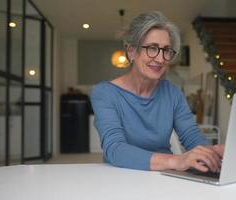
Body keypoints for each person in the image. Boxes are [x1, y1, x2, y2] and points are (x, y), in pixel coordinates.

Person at [91, 11, 224, 172]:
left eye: (166, 50)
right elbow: (115, 149)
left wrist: (211, 153)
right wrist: (176, 161)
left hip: (163, 177)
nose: (161, 59)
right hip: (122, 177)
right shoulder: (105, 93)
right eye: (152, 48)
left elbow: (191, 136)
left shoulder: (173, 93)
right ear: (132, 51)